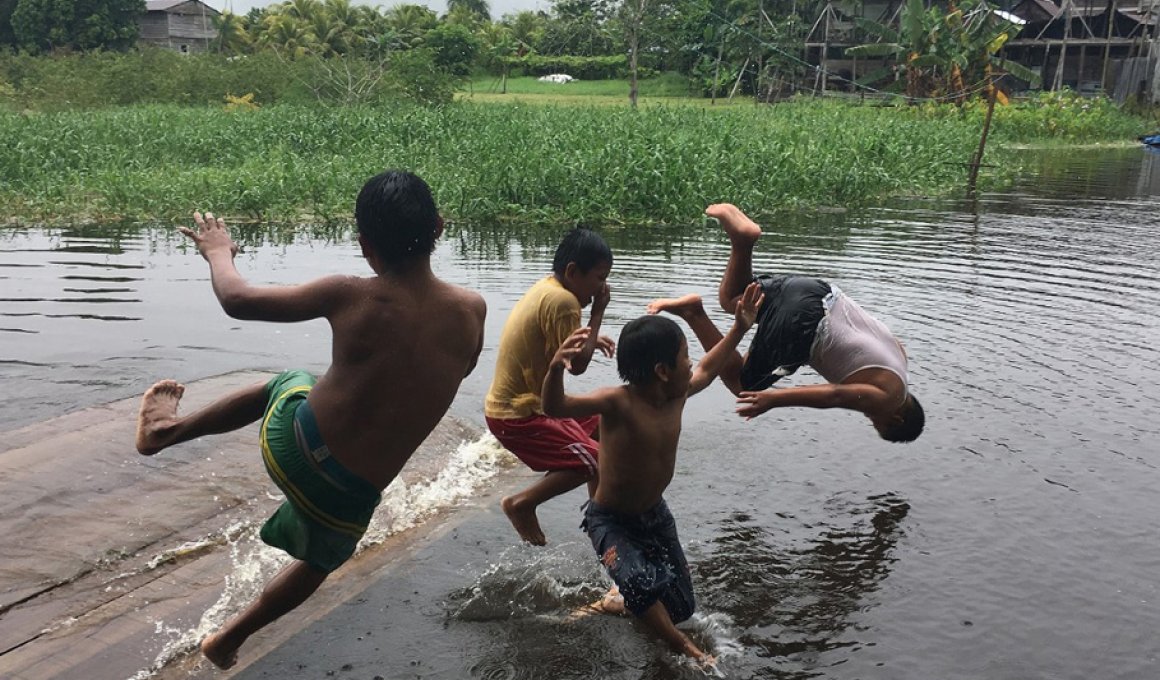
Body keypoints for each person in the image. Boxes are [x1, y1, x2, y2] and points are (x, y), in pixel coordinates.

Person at [133, 170, 487, 669]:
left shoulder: (350, 292)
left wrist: (218, 252)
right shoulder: (472, 310)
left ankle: (165, 430)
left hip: (294, 448)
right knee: (319, 561)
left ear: (365, 244)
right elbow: (451, 372)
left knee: (291, 380)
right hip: (345, 502)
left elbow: (237, 299)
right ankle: (230, 638)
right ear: (440, 228)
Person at [541, 282, 765, 668]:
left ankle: (619, 598)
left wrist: (740, 329)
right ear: (662, 370)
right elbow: (556, 406)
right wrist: (554, 368)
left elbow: (712, 366)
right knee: (644, 588)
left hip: (654, 515)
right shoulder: (618, 402)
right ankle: (682, 646)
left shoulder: (677, 394)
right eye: (685, 357)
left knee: (680, 604)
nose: (692, 364)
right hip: (610, 521)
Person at [648, 203, 924, 442]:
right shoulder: (889, 399)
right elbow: (836, 396)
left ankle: (743, 241)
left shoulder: (901, 358)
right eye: (875, 420)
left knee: (734, 298)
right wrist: (774, 399)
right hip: (807, 326)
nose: (869, 415)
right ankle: (694, 313)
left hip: (818, 291)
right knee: (744, 386)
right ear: (896, 419)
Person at [484, 227, 616, 546]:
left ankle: (601, 514)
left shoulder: (548, 287)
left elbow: (552, 344)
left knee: (604, 424)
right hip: (517, 414)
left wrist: (588, 337)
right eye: (599, 278)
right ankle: (522, 503)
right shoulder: (564, 301)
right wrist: (597, 313)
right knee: (593, 459)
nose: (603, 287)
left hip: (531, 404)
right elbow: (578, 366)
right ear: (573, 271)